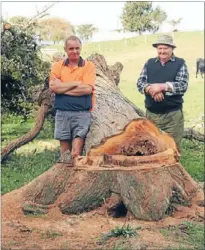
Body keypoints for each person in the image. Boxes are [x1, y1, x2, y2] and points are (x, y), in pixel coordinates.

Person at [137, 34, 189, 151]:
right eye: (159, 48)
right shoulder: (149, 63)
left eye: (165, 48)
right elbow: (140, 82)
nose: (162, 51)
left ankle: (174, 169)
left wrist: (162, 87)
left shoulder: (180, 63)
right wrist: (151, 89)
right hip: (151, 114)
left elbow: (183, 86)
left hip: (172, 116)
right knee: (152, 146)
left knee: (173, 147)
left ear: (172, 49)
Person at [49, 35, 96, 165]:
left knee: (76, 154)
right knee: (65, 154)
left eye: (77, 48)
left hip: (82, 113)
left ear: (81, 48)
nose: (74, 51)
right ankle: (63, 179)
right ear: (65, 49)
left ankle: (76, 179)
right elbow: (53, 87)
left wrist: (63, 88)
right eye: (71, 48)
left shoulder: (88, 66)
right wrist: (76, 83)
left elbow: (87, 89)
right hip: (62, 113)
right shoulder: (58, 66)